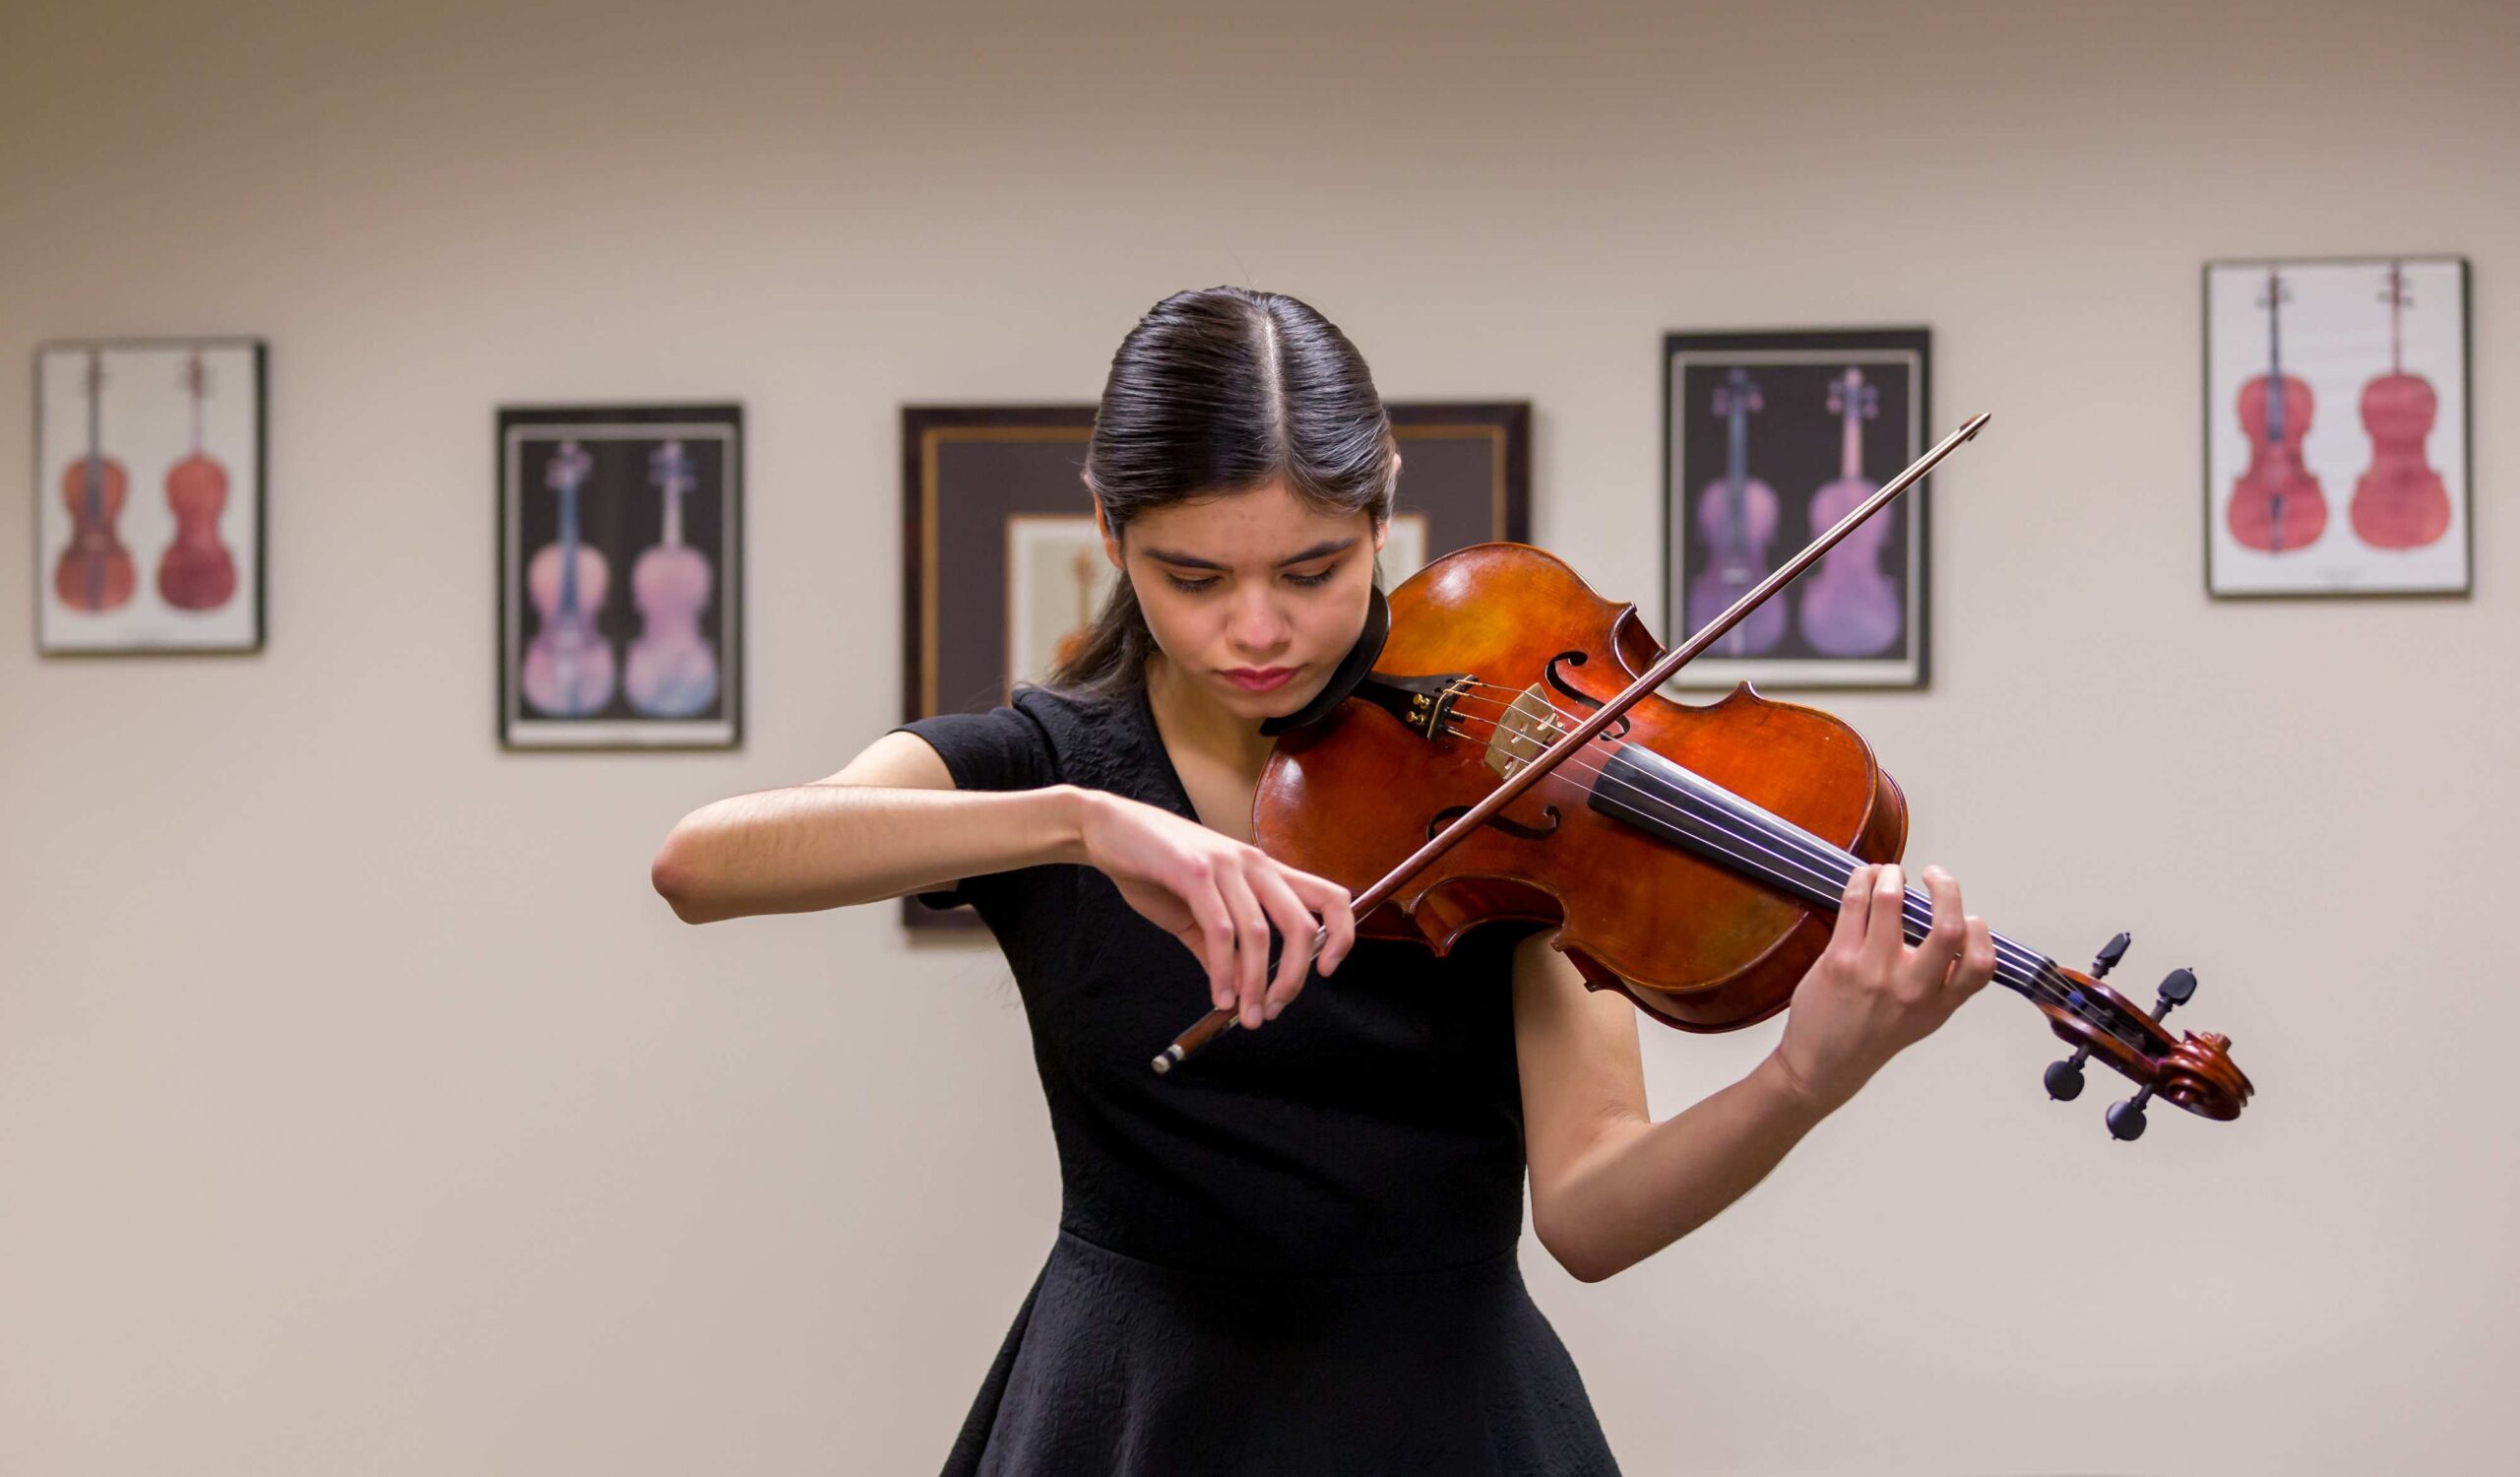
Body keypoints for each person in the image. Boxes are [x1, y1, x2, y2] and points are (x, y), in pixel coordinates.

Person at [649, 286, 1997, 1476]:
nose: (1258, 629)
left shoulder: (1513, 789)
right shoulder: (1047, 768)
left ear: (1381, 511)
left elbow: (1592, 1210)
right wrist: (1082, 827)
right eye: (1194, 577)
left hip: (1450, 1419)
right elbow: (702, 864)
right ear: (1110, 532)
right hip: (1132, 1412)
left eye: (1313, 569)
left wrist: (1803, 1076)